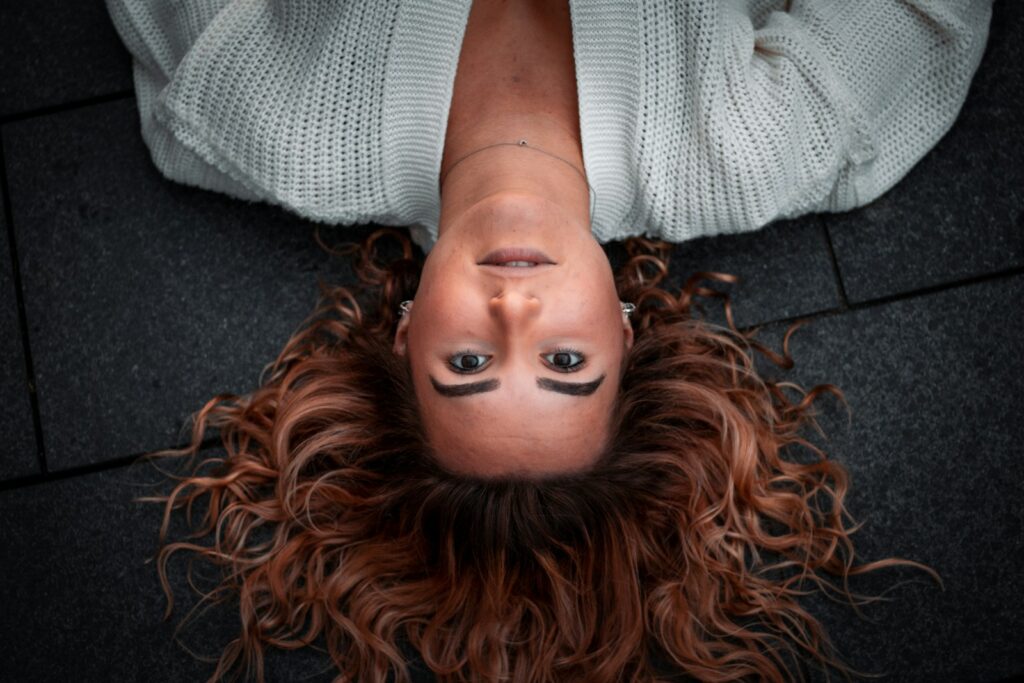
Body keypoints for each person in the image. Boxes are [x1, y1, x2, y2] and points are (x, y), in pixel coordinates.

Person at [108, 0, 992, 680]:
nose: (514, 313)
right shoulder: (743, 151)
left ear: (404, 335)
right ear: (628, 331)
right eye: (566, 363)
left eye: (468, 364)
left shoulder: (274, 131)